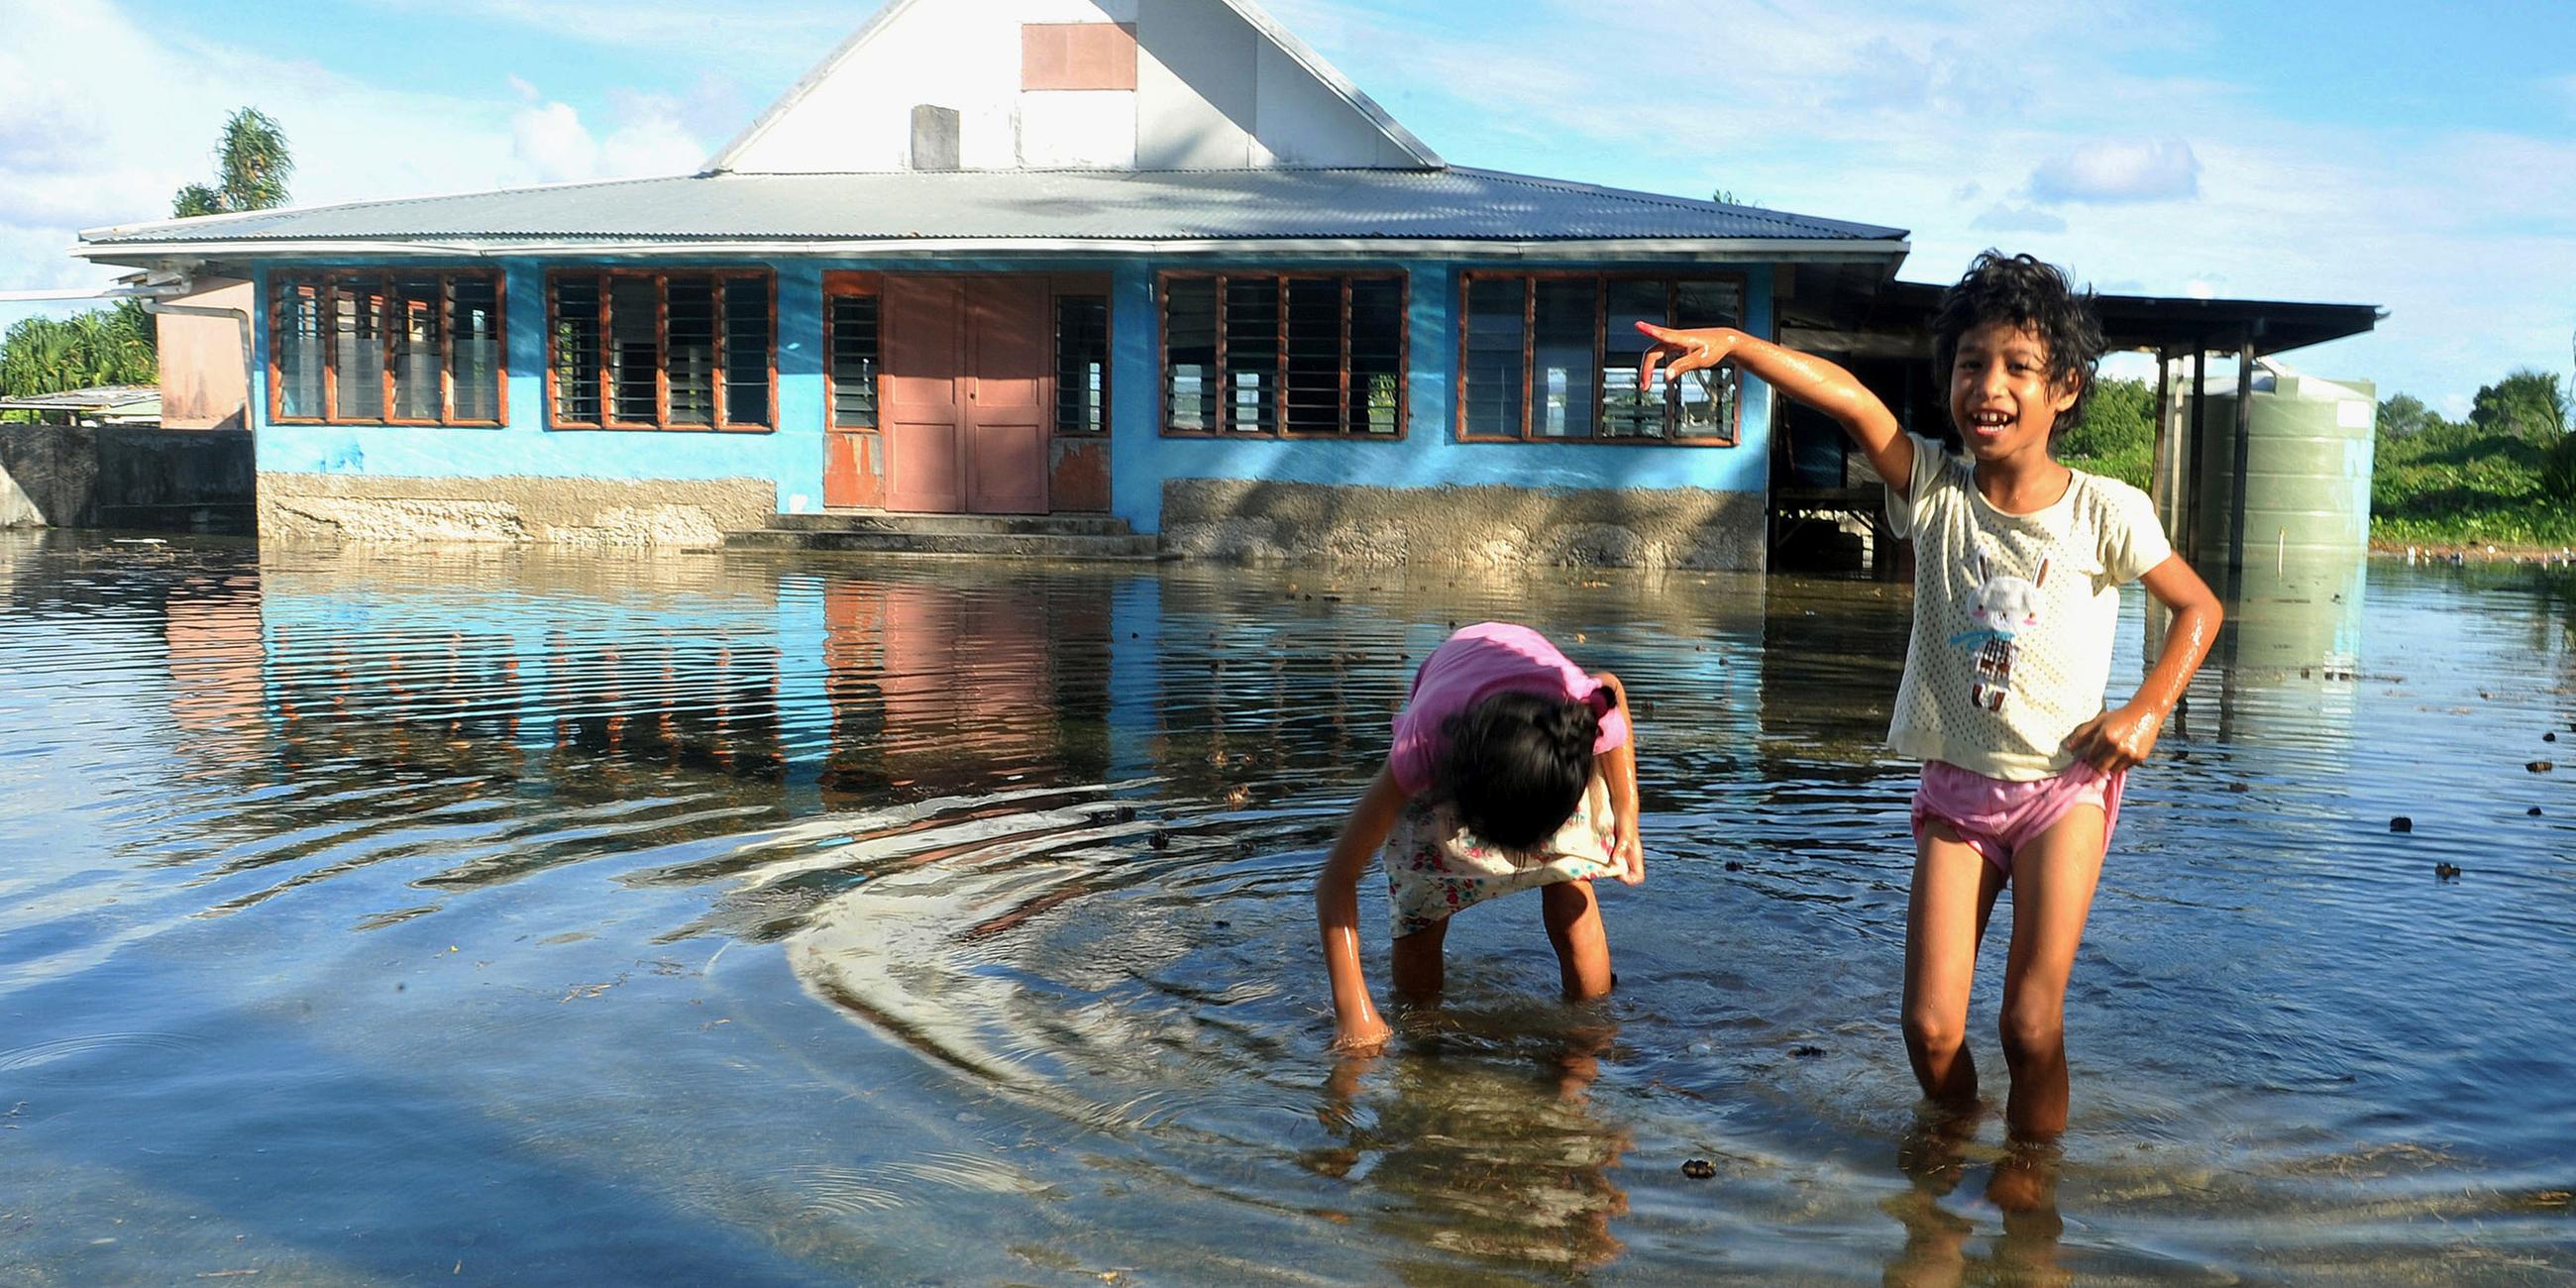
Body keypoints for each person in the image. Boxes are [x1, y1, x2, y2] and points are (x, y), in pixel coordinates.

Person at [1637, 251, 2224, 1140]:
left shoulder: (2107, 509)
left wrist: (2145, 711)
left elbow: (2197, 610)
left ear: (2065, 388)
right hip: (1958, 789)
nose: (1989, 386)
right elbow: (1849, 400)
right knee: (1929, 1027)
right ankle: (1951, 1148)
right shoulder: (1934, 490)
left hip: (2064, 789)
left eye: (2018, 368)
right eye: (1970, 364)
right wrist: (1737, 345)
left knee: (2030, 1024)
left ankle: (2031, 1188)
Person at [1316, 622, 1644, 1054]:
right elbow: (1336, 878)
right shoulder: (1423, 747)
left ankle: (1590, 1029)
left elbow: (1610, 689)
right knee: (1420, 916)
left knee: (1571, 887)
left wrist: (1628, 815)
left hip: (1536, 751)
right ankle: (1424, 1040)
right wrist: (1354, 1011)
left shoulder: (1574, 715)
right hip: (1459, 762)